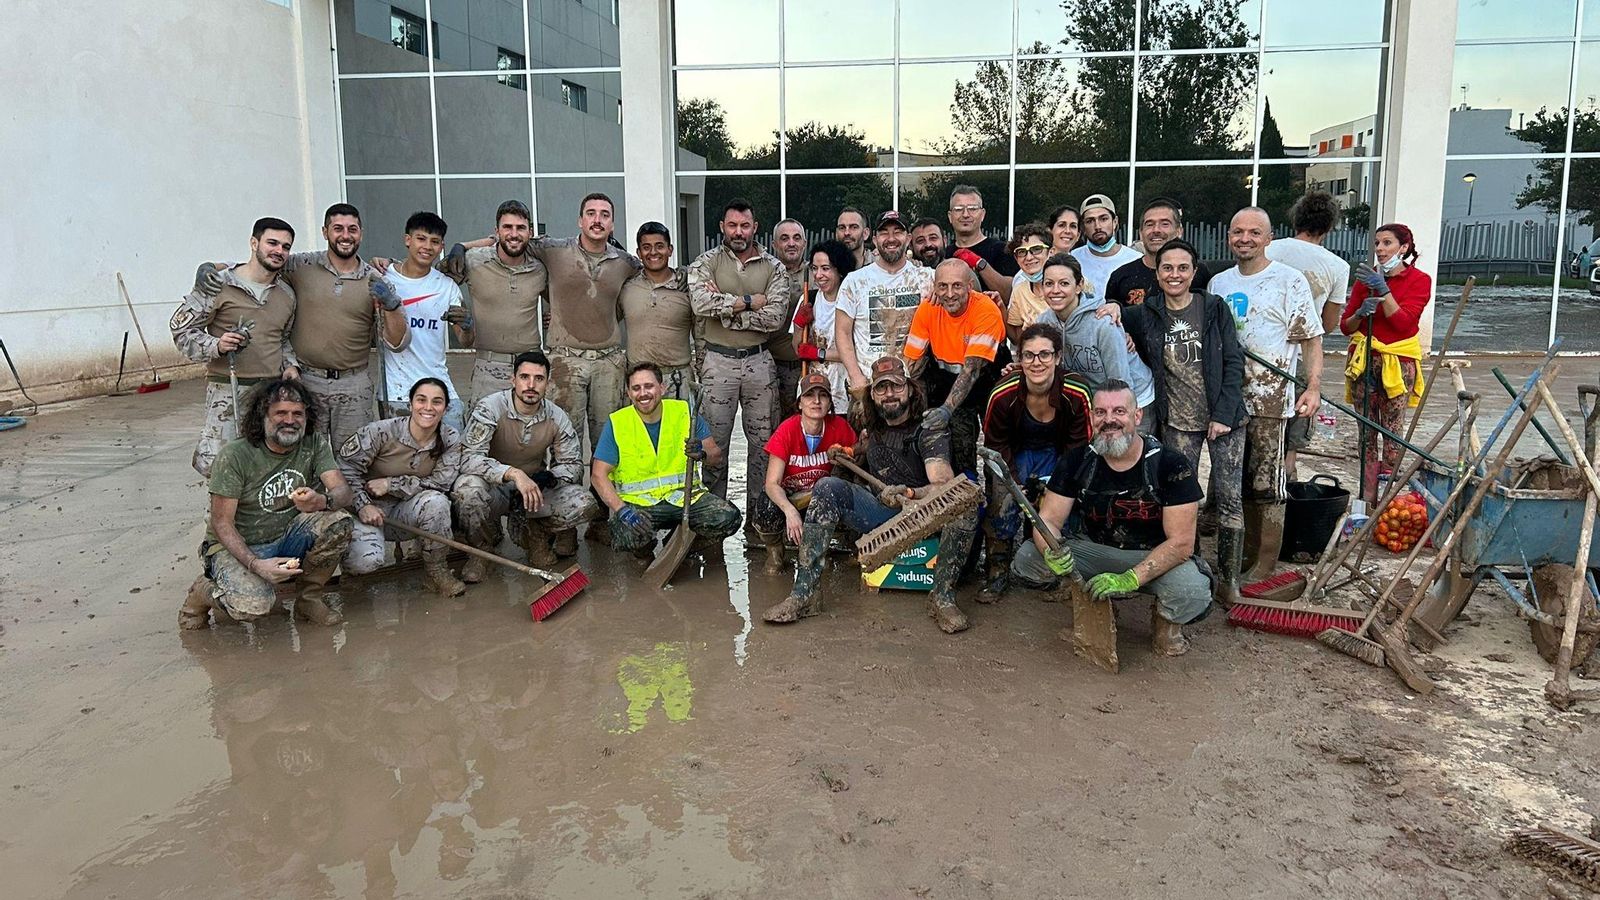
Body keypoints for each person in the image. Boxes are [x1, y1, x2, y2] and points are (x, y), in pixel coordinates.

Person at [762, 357, 979, 634]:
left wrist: (910, 492)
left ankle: (943, 597)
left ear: (910, 390)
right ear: (873, 395)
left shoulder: (928, 430)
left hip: (923, 517)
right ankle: (804, 594)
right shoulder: (873, 425)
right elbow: (864, 452)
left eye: (896, 387)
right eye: (881, 388)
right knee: (828, 486)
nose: (889, 394)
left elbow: (943, 486)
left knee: (964, 506)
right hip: (883, 513)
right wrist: (849, 453)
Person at [1013, 380, 1211, 656]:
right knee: (1029, 558)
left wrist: (1131, 578)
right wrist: (1051, 551)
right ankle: (1091, 605)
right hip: (1094, 550)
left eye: (1119, 411)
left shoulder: (1170, 464)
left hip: (1152, 556)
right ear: (1092, 416)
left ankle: (1166, 625)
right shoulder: (1076, 460)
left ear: (1137, 416)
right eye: (1101, 412)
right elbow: (1048, 520)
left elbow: (1181, 543)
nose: (1109, 420)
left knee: (1192, 591)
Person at [1122, 240, 1248, 605]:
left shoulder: (1212, 307)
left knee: (1229, 498)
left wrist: (1224, 414)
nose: (1174, 275)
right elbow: (1111, 311)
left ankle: (1229, 580)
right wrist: (1114, 308)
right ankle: (1191, 571)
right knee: (1181, 501)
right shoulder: (1146, 312)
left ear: (1194, 272)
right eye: (1167, 268)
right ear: (1157, 273)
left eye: (1182, 268)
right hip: (1177, 422)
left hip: (1224, 418)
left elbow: (1233, 362)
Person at [180, 378, 354, 630]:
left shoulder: (313, 444)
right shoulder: (235, 455)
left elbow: (344, 493)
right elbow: (221, 523)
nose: (290, 420)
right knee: (253, 605)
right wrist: (255, 564)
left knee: (338, 523)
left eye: (297, 413)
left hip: (286, 537)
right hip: (237, 546)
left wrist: (322, 500)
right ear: (262, 416)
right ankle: (204, 591)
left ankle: (309, 600)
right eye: (280, 413)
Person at [1208, 208, 1324, 582]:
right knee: (1237, 480)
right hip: (1229, 400)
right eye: (1238, 231)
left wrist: (1314, 386)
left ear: (1269, 238)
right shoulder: (1219, 283)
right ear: (1228, 237)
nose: (1245, 238)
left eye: (1254, 232)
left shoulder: (1289, 281)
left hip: (1270, 399)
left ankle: (1266, 562)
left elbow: (1311, 338)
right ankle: (1245, 554)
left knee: (1268, 483)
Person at [340, 378, 501, 597]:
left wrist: (391, 484)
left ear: (445, 408)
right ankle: (352, 574)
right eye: (421, 400)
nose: (428, 407)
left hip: (405, 513)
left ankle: (436, 572)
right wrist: (362, 505)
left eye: (437, 402)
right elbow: (345, 470)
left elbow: (441, 482)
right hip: (367, 513)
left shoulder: (450, 438)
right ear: (410, 405)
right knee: (365, 562)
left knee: (436, 502)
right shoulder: (380, 432)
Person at [271, 203, 410, 450]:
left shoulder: (375, 280)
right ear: (325, 232)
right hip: (306, 380)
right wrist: (215, 269)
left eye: (352, 229)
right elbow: (261, 264)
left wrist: (391, 306)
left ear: (361, 233)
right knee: (303, 455)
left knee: (352, 458)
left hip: (353, 385)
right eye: (338, 229)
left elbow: (399, 342)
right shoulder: (300, 265)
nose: (345, 236)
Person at [171, 217, 302, 476]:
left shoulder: (286, 295)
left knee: (265, 466)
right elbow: (181, 330)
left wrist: (290, 366)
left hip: (270, 395)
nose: (279, 251)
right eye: (272, 243)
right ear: (254, 243)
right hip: (227, 393)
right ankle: (219, 517)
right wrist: (216, 345)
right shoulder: (217, 284)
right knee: (223, 467)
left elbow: (282, 339)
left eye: (285, 247)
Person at [455, 351, 597, 581]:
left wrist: (549, 478)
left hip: (533, 491)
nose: (531, 385)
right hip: (495, 487)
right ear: (513, 380)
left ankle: (536, 534)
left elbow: (573, 464)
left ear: (547, 384)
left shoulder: (556, 416)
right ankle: (481, 549)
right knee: (467, 491)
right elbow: (468, 457)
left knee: (582, 503)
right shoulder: (489, 408)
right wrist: (511, 473)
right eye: (524, 377)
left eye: (538, 379)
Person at [686, 198, 790, 509]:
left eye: (745, 225)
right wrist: (748, 300)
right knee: (714, 444)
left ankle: (760, 515)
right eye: (732, 225)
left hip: (759, 362)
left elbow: (774, 318)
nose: (738, 231)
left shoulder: (774, 268)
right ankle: (711, 513)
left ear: (755, 228)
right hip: (718, 363)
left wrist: (728, 310)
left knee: (763, 443)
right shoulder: (705, 263)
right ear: (722, 227)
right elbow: (700, 304)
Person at [978, 324, 1093, 603]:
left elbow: (1079, 449)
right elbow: (995, 446)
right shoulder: (1003, 394)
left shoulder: (1077, 392)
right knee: (1003, 505)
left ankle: (1058, 572)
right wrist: (1014, 482)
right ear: (1019, 359)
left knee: (1063, 507)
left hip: (1060, 454)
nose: (1036, 362)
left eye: (1044, 355)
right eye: (1028, 355)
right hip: (1016, 453)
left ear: (1057, 357)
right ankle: (997, 572)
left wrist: (1055, 487)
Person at [527, 193, 642, 455]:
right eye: (591, 213)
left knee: (610, 440)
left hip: (608, 362)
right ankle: (567, 495)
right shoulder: (554, 250)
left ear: (612, 224)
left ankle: (603, 495)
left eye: (605, 215)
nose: (597, 220)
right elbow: (512, 241)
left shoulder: (625, 263)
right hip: (565, 362)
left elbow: (651, 279)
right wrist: (462, 247)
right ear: (580, 220)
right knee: (565, 440)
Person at [591, 362, 742, 557]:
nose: (643, 393)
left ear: (662, 388)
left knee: (728, 518)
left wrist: (701, 454)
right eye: (636, 388)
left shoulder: (684, 412)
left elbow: (716, 456)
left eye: (649, 386)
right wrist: (622, 511)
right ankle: (644, 552)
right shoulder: (618, 422)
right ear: (628, 393)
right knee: (624, 534)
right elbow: (598, 475)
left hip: (686, 499)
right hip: (642, 506)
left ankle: (679, 545)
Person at [1340, 222, 1431, 502]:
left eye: (1387, 243)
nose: (1379, 249)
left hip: (1398, 364)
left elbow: (1404, 324)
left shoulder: (1420, 280)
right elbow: (1346, 326)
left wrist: (1384, 292)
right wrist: (1360, 313)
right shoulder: (1364, 281)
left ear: (1403, 248)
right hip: (1365, 363)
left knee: (1392, 432)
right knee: (1366, 434)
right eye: (1377, 243)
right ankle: (1367, 499)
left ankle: (1389, 499)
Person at [1267, 191, 1352, 480]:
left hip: (1260, 351)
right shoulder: (1337, 267)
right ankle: (1288, 477)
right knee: (1295, 429)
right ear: (1329, 226)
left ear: (1296, 219)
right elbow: (1327, 325)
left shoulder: (1269, 249)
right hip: (1303, 355)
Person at [902, 259, 1007, 476]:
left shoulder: (986, 310)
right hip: (949, 380)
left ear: (969, 286)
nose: (950, 293)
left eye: (957, 286)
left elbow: (972, 370)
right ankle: (968, 494)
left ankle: (998, 501)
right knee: (960, 446)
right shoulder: (928, 309)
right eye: (943, 286)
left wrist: (946, 409)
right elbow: (912, 365)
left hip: (990, 381)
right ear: (935, 287)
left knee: (997, 447)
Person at [753, 372, 858, 573]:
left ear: (830, 403)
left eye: (823, 396)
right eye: (809, 396)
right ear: (800, 403)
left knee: (855, 493)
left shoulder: (840, 428)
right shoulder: (787, 430)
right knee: (766, 506)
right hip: (791, 498)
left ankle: (836, 548)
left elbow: (858, 457)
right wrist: (789, 511)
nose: (816, 401)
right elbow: (772, 483)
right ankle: (775, 554)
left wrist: (854, 450)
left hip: (820, 498)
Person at [1033, 253, 1156, 423]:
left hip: (1135, 397)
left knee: (1125, 448)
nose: (1055, 290)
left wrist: (1124, 416)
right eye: (1049, 284)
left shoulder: (1103, 322)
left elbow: (1120, 381)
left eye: (1064, 283)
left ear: (1079, 285)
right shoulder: (1043, 323)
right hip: (1092, 402)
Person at [835, 211, 935, 413]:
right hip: (869, 388)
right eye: (884, 233)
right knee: (866, 444)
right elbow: (842, 333)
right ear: (874, 239)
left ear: (908, 238)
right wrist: (857, 378)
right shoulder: (855, 282)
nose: (891, 239)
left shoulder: (928, 278)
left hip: (913, 386)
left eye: (898, 232)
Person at [450, 199, 548, 405]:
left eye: (520, 228)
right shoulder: (474, 261)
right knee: (484, 432)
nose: (514, 234)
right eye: (507, 227)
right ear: (496, 231)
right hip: (488, 366)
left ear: (530, 232)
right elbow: (427, 278)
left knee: (529, 432)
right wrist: (389, 267)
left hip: (530, 365)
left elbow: (564, 295)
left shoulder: (540, 268)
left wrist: (557, 317)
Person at [379, 211, 470, 433]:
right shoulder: (383, 278)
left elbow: (465, 340)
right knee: (401, 461)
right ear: (407, 240)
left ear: (441, 247)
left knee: (453, 453)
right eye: (421, 238)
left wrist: (468, 325)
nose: (427, 246)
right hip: (397, 392)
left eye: (435, 242)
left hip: (439, 386)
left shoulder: (446, 286)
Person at [620, 222, 697, 400]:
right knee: (638, 429)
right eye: (646, 247)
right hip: (638, 381)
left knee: (681, 428)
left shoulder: (688, 287)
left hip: (678, 381)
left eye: (659, 246)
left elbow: (701, 334)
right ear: (639, 253)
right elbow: (606, 317)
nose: (653, 252)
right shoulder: (626, 288)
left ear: (670, 250)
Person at [1105, 198, 1213, 308]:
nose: (1156, 230)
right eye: (1149, 224)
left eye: (1165, 224)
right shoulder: (1121, 277)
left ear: (1179, 231)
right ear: (1141, 233)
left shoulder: (1199, 274)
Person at [790, 239, 857, 411]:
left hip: (844, 390)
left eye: (825, 268)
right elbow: (797, 348)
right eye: (814, 268)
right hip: (812, 389)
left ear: (840, 270)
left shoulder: (853, 300)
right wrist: (799, 325)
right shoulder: (808, 299)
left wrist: (818, 353)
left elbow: (855, 351)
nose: (819, 275)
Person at [944, 185, 1018, 301]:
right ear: (950, 216)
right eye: (958, 209)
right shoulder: (945, 253)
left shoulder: (1002, 249)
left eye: (972, 209)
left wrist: (980, 264)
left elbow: (1010, 294)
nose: (965, 214)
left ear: (982, 214)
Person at [769, 218, 809, 419]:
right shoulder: (765, 275)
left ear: (804, 243)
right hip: (773, 367)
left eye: (796, 238)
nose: (791, 243)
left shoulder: (817, 273)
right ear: (775, 245)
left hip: (807, 367)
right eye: (784, 239)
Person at [1072, 194, 1142, 305]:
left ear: (1115, 222)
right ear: (1083, 228)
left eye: (1103, 219)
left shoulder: (1136, 259)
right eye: (1090, 221)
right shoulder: (1073, 259)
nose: (1098, 226)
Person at [1005, 223, 1054, 347]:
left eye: (1036, 249)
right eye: (1021, 252)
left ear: (1051, 252)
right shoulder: (1019, 291)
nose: (1029, 257)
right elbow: (1016, 338)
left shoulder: (1071, 282)